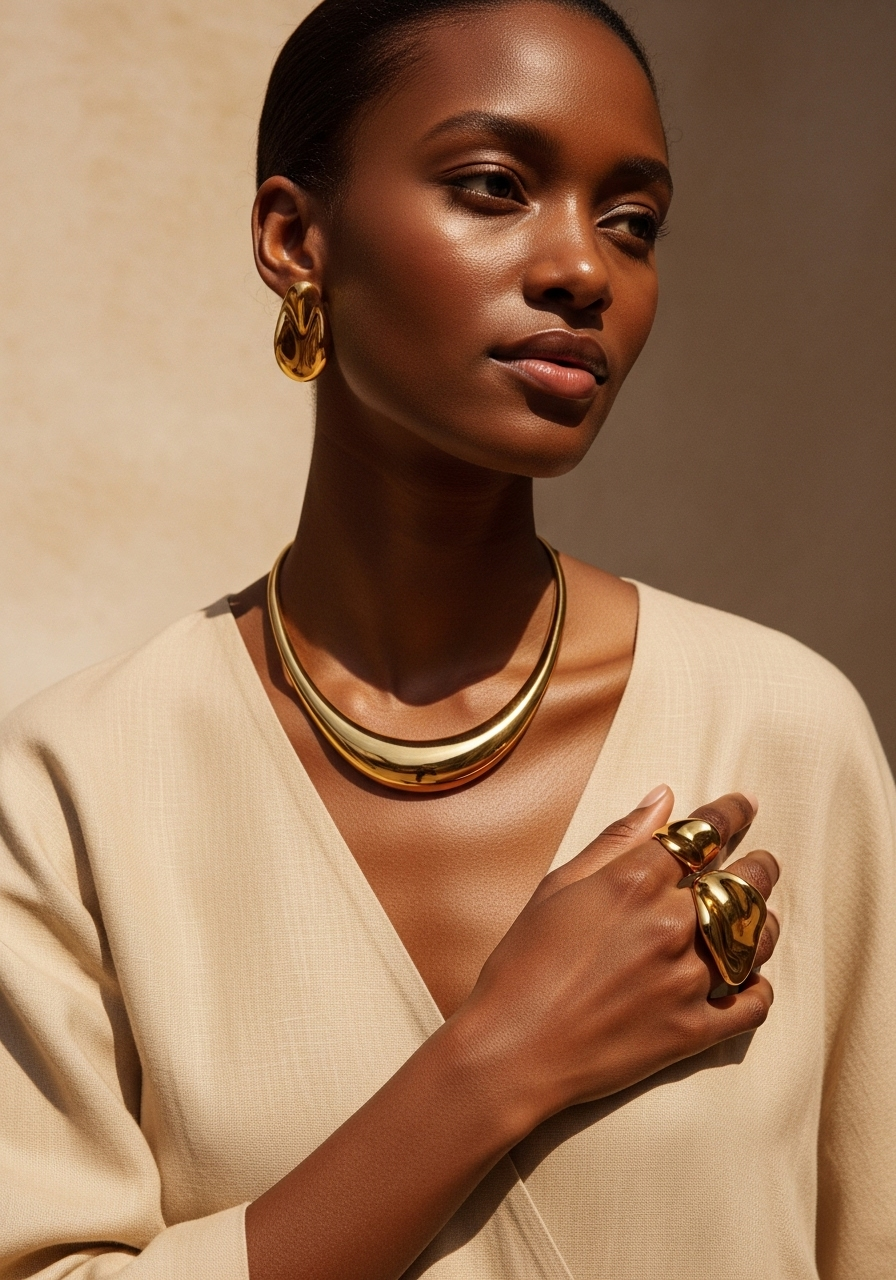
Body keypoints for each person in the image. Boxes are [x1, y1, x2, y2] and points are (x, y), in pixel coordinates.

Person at [0, 0, 893, 1277]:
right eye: (492, 187)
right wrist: (499, 1057)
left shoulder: (780, 733)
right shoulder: (73, 788)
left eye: (630, 221)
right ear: (294, 238)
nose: (583, 268)